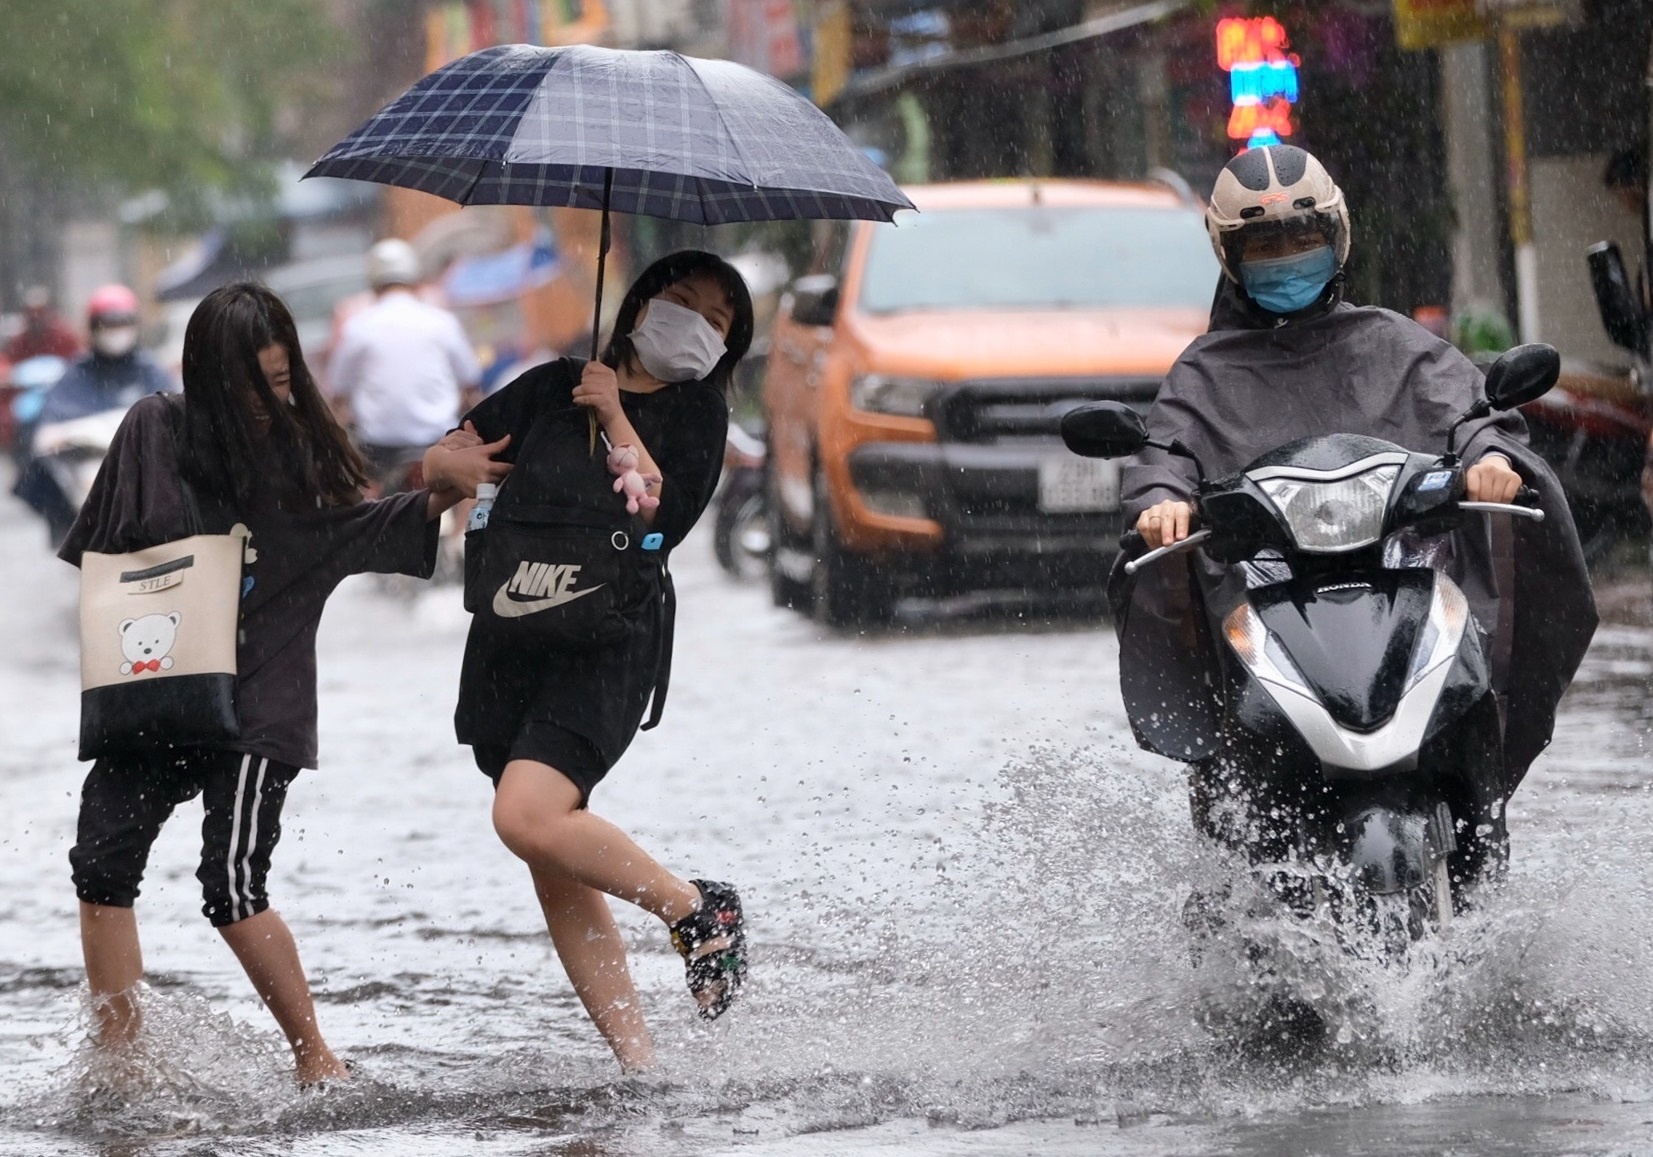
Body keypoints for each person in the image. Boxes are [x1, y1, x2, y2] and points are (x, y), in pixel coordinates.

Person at [58, 282, 508, 1084]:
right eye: (250, 386)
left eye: (280, 381)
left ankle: (317, 1060)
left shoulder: (301, 452)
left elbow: (356, 529)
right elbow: (106, 562)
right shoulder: (152, 429)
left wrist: (438, 481)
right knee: (99, 862)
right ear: (206, 378)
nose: (269, 403)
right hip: (158, 688)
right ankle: (120, 1066)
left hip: (260, 700)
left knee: (230, 884)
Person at [1120, 144, 1596, 878]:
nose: (1287, 258)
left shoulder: (1396, 346)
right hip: (1265, 597)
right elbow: (1164, 455)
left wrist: (1491, 461)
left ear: (1336, 238)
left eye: (1301, 238)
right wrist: (1162, 504)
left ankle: (1476, 814)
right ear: (1230, 256)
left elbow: (1472, 414)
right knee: (1232, 753)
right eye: (1264, 246)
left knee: (1473, 674)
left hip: (1402, 577)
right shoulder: (1202, 375)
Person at [421, 250, 753, 1072]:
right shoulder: (552, 385)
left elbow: (660, 516)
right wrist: (445, 464)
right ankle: (637, 1064)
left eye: (716, 320)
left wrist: (613, 412)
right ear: (640, 303)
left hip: (605, 644)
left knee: (525, 817)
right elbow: (451, 456)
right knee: (550, 849)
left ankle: (694, 906)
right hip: (511, 634)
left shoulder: (696, 414)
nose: (695, 323)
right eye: (683, 300)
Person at [13, 285, 175, 543]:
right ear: (93, 326)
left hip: (146, 476)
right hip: (88, 483)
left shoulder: (150, 371)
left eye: (122, 323)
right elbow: (46, 436)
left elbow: (174, 422)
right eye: (108, 324)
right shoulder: (75, 375)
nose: (115, 331)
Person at [328, 238, 481, 495]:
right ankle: (462, 521)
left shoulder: (358, 328)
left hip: (380, 448)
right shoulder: (442, 322)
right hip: (441, 440)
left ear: (374, 282)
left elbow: (338, 390)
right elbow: (470, 378)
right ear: (414, 279)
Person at [4, 285, 82, 363]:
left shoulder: (64, 338)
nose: (37, 323)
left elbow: (77, 360)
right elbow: (10, 364)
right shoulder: (19, 344)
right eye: (33, 318)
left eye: (40, 315)